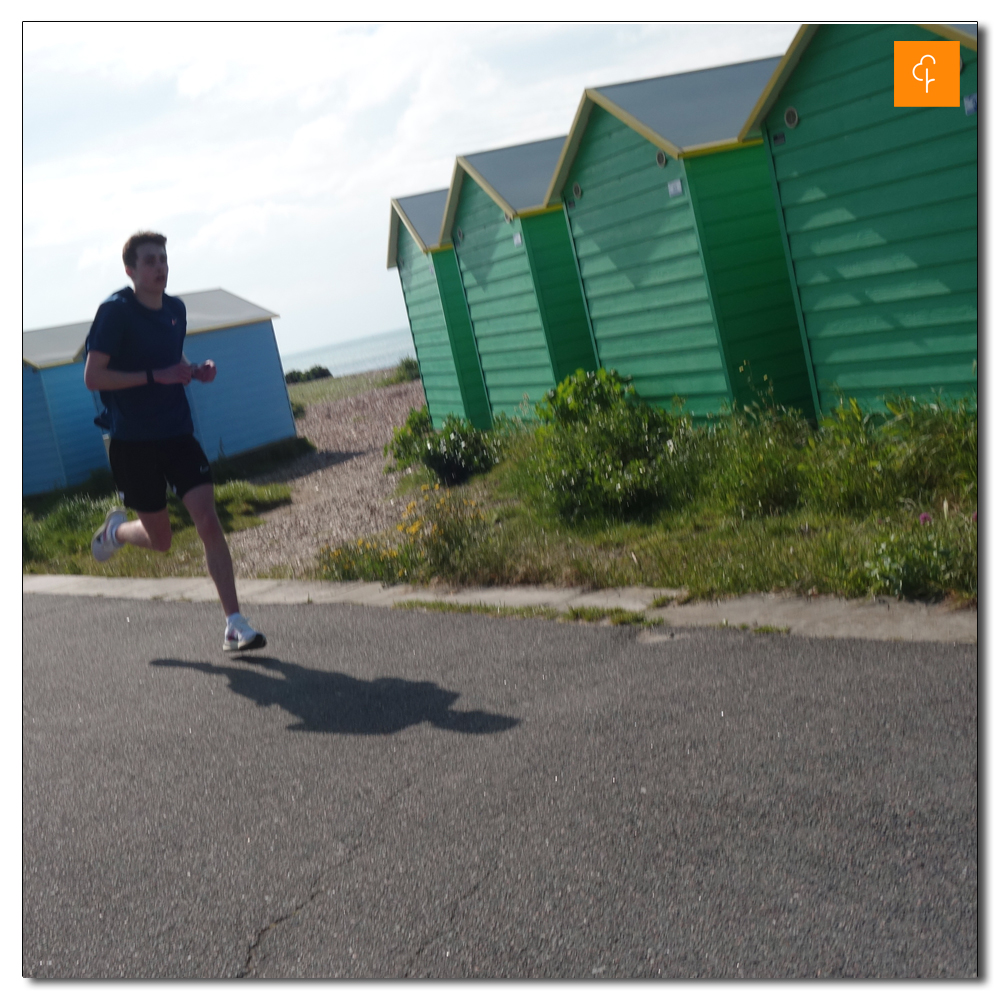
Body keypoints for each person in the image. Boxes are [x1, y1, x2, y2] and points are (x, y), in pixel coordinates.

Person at [84, 231, 266, 653]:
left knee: (207, 518)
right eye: (149, 261)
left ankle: (235, 623)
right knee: (162, 540)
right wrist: (154, 377)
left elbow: (171, 358)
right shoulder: (115, 313)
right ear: (130, 270)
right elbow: (93, 377)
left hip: (177, 431)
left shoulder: (175, 310)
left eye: (163, 259)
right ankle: (118, 531)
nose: (160, 267)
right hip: (132, 441)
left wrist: (193, 370)